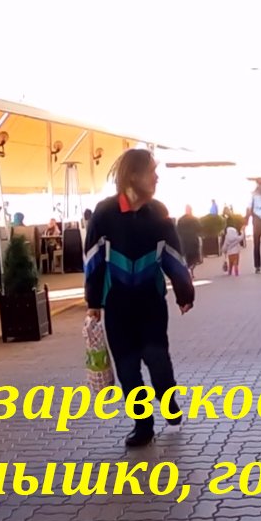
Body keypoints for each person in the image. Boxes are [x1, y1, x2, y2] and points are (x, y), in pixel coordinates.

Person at [84, 148, 195, 448]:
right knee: (128, 369)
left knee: (158, 361)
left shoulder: (158, 213)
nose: (156, 178)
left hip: (151, 304)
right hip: (117, 306)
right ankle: (143, 425)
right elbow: (93, 259)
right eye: (151, 172)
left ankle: (167, 397)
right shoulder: (105, 213)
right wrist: (93, 302)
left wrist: (184, 292)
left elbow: (173, 255)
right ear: (133, 176)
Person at [176, 206, 204, 279]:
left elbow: (177, 230)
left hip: (184, 241)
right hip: (193, 241)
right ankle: (191, 270)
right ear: (191, 210)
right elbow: (200, 228)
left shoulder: (181, 219)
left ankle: (188, 270)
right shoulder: (194, 219)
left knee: (186, 257)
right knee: (194, 258)